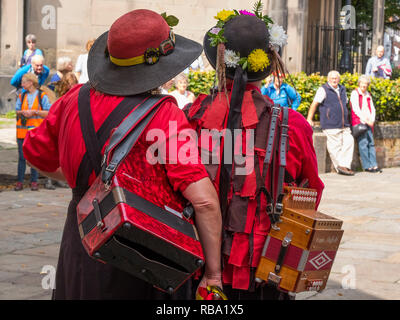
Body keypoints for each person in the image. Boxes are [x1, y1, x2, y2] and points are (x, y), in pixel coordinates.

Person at [22, 9, 222, 300]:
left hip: (82, 242)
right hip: (142, 251)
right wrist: (213, 275)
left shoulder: (72, 99)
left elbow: (34, 154)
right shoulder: (164, 114)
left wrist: (90, 189)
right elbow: (203, 201)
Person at [185, 10, 324, 300]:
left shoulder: (190, 118)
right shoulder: (293, 125)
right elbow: (310, 193)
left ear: (219, 61)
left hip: (195, 266)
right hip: (264, 269)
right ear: (270, 62)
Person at [307, 70, 355, 176]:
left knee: (349, 141)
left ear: (339, 79)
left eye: (336, 78)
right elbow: (314, 104)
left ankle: (343, 166)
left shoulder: (342, 89)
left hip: (344, 124)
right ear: (328, 79)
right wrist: (309, 118)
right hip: (330, 124)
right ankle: (343, 168)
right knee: (335, 147)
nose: (334, 80)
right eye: (332, 78)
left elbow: (345, 104)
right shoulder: (323, 89)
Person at [14, 73, 51, 191]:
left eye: (24, 81)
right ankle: (19, 182)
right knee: (21, 158)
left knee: (33, 158)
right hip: (22, 132)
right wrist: (23, 112)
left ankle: (34, 182)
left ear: (30, 82)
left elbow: (48, 112)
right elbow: (17, 110)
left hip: (35, 132)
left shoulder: (42, 96)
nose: (22, 84)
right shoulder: (21, 96)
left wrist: (34, 112)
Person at [350, 75, 381, 173]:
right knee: (363, 144)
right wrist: (366, 120)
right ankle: (367, 166)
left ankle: (374, 164)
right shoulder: (355, 93)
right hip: (360, 122)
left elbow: (372, 108)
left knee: (371, 144)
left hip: (369, 122)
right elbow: (355, 109)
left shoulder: (368, 94)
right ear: (359, 84)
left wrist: (371, 119)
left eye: (366, 84)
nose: (364, 85)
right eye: (362, 83)